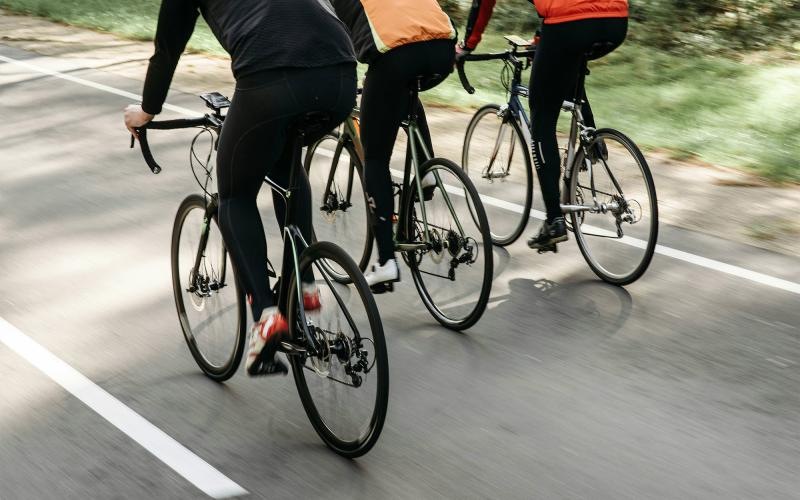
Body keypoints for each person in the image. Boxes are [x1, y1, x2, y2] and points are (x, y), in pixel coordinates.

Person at [123, 0, 357, 375]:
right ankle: (306, 284)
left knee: (234, 196)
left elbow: (168, 48)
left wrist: (147, 111)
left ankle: (267, 317)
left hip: (271, 78)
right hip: (341, 77)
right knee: (285, 163)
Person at [457, 0, 628, 250]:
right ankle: (591, 138)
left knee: (542, 118)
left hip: (569, 23)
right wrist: (541, 37)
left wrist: (467, 46)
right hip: (616, 20)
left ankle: (554, 220)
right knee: (565, 65)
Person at [330, 0, 457, 292]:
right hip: (443, 49)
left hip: (396, 55)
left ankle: (386, 261)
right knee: (404, 90)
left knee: (374, 159)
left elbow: (331, 40)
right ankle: (425, 169)